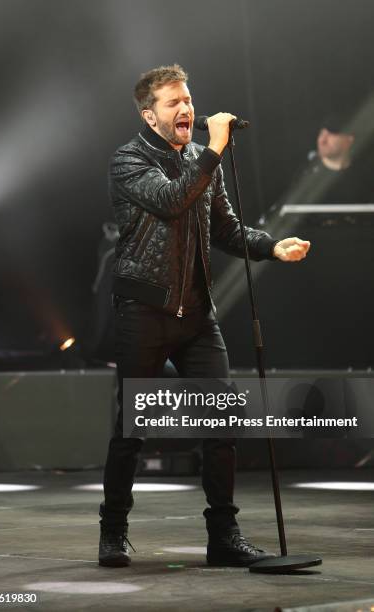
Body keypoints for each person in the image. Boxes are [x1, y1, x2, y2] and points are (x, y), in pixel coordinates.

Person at [98, 64, 310, 568]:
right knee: (131, 429)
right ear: (151, 117)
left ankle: (224, 536)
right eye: (173, 103)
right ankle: (113, 531)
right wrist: (214, 151)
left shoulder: (198, 157)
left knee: (221, 421)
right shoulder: (128, 161)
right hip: (143, 310)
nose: (187, 109)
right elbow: (173, 201)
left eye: (188, 99)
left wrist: (269, 248)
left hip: (195, 312)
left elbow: (226, 228)